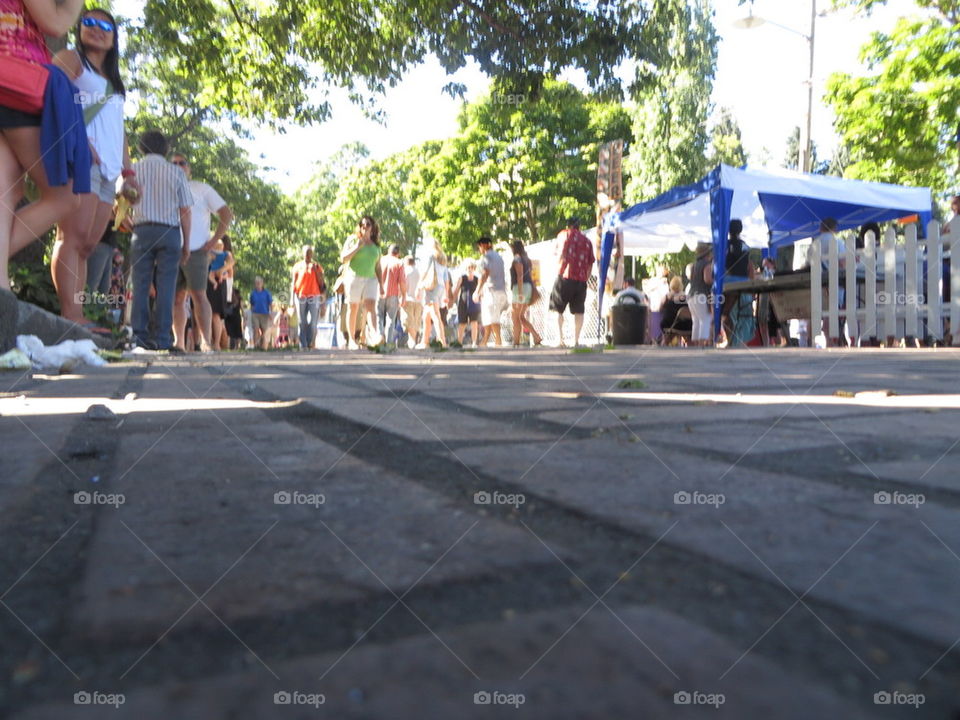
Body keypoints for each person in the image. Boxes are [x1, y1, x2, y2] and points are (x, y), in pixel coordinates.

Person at [51, 7, 138, 326]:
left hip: (109, 172)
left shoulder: (113, 81)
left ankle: (78, 314)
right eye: (89, 22)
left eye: (106, 26)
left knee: (88, 245)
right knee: (71, 237)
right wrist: (79, 141)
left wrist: (128, 172)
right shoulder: (71, 59)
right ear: (79, 28)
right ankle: (70, 316)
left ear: (114, 38)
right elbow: (51, 97)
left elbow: (118, 130)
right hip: (81, 160)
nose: (97, 29)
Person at [1, 0, 89, 291]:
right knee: (63, 197)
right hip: (17, 80)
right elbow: (56, 23)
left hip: (10, 81)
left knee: (6, 190)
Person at [128, 131, 191, 350]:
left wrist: (130, 222)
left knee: (141, 284)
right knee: (167, 286)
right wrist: (186, 244)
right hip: (169, 232)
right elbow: (185, 211)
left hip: (142, 230)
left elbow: (119, 200)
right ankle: (163, 338)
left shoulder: (132, 170)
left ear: (141, 147)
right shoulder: (177, 172)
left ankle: (139, 336)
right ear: (165, 149)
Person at [168, 153, 232, 352]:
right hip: (171, 250)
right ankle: (178, 342)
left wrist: (213, 241)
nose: (178, 166)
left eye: (182, 163)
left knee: (199, 295)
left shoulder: (201, 188)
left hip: (197, 250)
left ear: (189, 169)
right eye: (174, 163)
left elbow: (226, 214)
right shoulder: (164, 189)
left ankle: (205, 342)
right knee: (176, 298)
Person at [551, 217, 595, 347]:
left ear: (568, 225)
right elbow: (590, 263)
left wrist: (559, 271)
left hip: (564, 277)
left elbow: (558, 255)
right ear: (579, 226)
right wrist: (585, 277)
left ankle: (560, 340)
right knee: (579, 311)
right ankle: (576, 340)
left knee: (557, 309)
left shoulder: (563, 235)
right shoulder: (587, 241)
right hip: (580, 280)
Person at [340, 215, 381, 348]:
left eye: (368, 224)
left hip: (371, 279)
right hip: (354, 277)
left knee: (371, 306)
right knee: (353, 307)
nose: (365, 227)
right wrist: (357, 247)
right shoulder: (353, 240)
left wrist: (382, 284)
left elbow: (378, 266)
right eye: (362, 225)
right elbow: (343, 258)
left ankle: (375, 336)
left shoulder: (376, 245)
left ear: (372, 228)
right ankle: (352, 340)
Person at [473, 236, 508, 346]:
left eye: (479, 246)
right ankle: (485, 340)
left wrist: (477, 290)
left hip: (491, 290)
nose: (479, 249)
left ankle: (498, 340)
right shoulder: (499, 256)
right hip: (501, 289)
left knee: (492, 317)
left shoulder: (486, 257)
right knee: (489, 316)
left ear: (484, 245)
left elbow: (485, 274)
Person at [291, 245, 324, 349]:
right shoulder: (297, 266)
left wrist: (316, 271)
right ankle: (303, 344)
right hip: (300, 295)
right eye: (306, 253)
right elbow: (293, 283)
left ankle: (310, 341)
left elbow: (322, 283)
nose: (308, 255)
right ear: (303, 253)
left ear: (312, 254)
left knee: (313, 321)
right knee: (302, 321)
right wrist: (292, 299)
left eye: (310, 253)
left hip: (314, 295)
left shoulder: (317, 266)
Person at [417, 237, 448, 348]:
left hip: (432, 286)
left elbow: (425, 270)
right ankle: (424, 341)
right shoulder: (443, 257)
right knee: (426, 315)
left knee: (435, 315)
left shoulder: (431, 256)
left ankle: (442, 341)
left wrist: (418, 286)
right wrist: (446, 294)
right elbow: (446, 277)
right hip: (440, 286)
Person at [510, 240, 541, 347]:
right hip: (528, 287)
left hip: (520, 288)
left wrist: (520, 292)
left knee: (515, 316)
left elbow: (520, 275)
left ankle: (516, 342)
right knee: (521, 316)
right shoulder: (527, 259)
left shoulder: (517, 258)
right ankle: (536, 337)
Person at [379, 243, 406, 345]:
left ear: (388, 251)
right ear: (398, 253)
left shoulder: (380, 260)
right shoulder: (399, 263)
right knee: (391, 320)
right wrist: (404, 295)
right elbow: (402, 281)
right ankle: (389, 342)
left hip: (379, 293)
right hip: (393, 295)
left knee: (378, 317)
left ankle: (380, 336)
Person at [689, 242, 713, 347]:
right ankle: (702, 344)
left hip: (691, 295)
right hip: (702, 295)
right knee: (705, 319)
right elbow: (707, 280)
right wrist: (717, 281)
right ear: (707, 254)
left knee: (696, 321)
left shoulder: (693, 266)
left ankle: (696, 345)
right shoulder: (707, 265)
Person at [451, 259, 480, 346]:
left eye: (471, 267)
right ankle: (459, 342)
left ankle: (474, 343)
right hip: (463, 304)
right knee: (462, 323)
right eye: (468, 268)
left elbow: (480, 292)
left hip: (474, 304)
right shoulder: (462, 278)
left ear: (474, 268)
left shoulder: (477, 279)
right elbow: (456, 290)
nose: (470, 269)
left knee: (474, 323)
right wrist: (452, 301)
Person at [402, 255, 421, 348]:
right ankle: (412, 340)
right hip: (419, 301)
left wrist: (401, 297)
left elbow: (404, 285)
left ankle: (412, 341)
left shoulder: (406, 271)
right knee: (416, 321)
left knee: (409, 321)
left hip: (408, 299)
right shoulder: (419, 271)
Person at [249, 275, 272, 350]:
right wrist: (252, 312)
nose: (258, 284)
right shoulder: (253, 293)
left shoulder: (267, 293)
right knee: (255, 329)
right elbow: (251, 304)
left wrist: (270, 313)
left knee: (264, 331)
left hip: (264, 314)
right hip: (255, 314)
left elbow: (270, 303)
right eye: (256, 283)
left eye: (259, 282)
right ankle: (256, 346)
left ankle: (264, 346)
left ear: (262, 283)